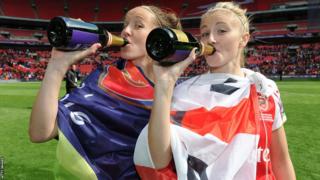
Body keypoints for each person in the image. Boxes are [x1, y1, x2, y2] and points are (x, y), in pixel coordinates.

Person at [134, 2, 296, 180]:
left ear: (243, 39)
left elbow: (280, 160)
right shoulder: (182, 92)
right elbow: (157, 161)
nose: (210, 39)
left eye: (221, 31)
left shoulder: (265, 90)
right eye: (204, 33)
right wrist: (164, 85)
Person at [29, 5, 181, 179]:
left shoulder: (182, 92)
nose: (125, 31)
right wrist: (56, 65)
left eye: (138, 26)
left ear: (160, 37)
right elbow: (40, 132)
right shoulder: (103, 80)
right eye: (125, 25)